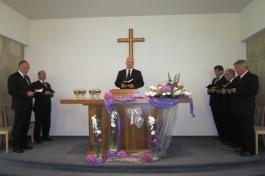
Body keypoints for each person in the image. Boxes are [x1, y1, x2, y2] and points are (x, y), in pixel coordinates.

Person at [230, 60, 259, 156]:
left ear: (244, 67)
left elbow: (253, 91)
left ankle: (250, 150)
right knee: (240, 129)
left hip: (246, 108)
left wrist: (237, 90)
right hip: (237, 108)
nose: (236, 70)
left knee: (247, 130)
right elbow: (233, 89)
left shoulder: (252, 77)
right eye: (235, 68)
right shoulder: (238, 78)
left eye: (237, 68)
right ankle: (243, 147)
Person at [8, 60, 34, 153]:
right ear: (19, 67)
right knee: (18, 126)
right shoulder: (13, 77)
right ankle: (16, 146)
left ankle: (23, 144)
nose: (27, 69)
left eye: (28, 68)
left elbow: (29, 90)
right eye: (25, 67)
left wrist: (33, 92)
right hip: (19, 106)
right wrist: (26, 93)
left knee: (25, 126)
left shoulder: (27, 77)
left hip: (28, 106)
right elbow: (11, 91)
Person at [31, 70, 54, 143]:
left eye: (45, 74)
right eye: (43, 74)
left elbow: (52, 94)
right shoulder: (34, 84)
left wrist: (50, 93)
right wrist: (44, 92)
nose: (44, 76)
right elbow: (34, 93)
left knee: (47, 122)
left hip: (47, 106)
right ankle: (37, 138)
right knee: (38, 122)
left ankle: (45, 136)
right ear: (39, 75)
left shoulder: (47, 84)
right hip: (39, 107)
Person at [207, 65, 228, 142]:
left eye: (217, 71)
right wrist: (209, 90)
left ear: (221, 71)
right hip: (213, 102)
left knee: (222, 120)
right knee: (216, 120)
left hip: (221, 103)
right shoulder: (214, 79)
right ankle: (221, 135)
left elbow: (225, 90)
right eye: (215, 71)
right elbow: (211, 89)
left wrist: (214, 90)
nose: (216, 73)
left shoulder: (225, 79)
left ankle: (225, 137)